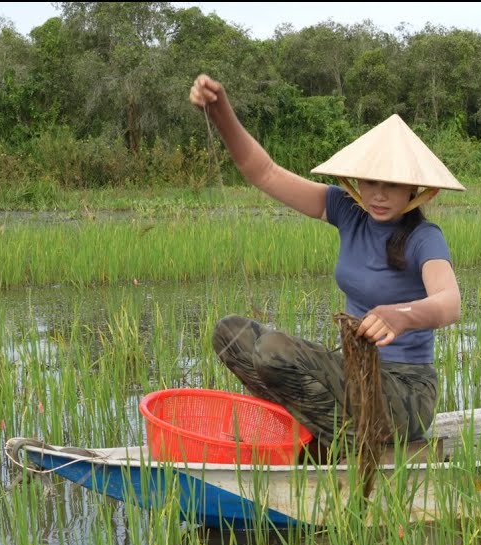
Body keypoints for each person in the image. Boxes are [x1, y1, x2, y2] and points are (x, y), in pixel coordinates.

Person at [188, 74, 465, 449]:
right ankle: (316, 428)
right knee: (230, 334)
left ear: (414, 190)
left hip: (404, 393)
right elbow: (265, 173)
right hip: (352, 380)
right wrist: (220, 111)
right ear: (357, 183)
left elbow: (450, 303)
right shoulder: (347, 211)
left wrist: (403, 316)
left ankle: (339, 442)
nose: (379, 196)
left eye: (393, 185)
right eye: (370, 183)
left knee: (273, 351)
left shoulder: (423, 238)